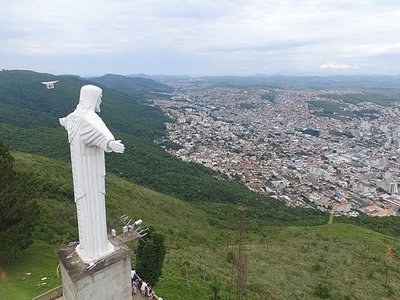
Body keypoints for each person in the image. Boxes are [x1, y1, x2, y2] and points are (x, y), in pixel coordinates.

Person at [60, 85, 125, 263]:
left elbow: (68, 123)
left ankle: (92, 248)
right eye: (100, 97)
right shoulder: (87, 119)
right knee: (93, 208)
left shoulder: (74, 118)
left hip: (81, 174)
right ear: (92, 98)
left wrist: (63, 122)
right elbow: (98, 134)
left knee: (87, 208)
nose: (101, 101)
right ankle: (96, 249)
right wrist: (111, 143)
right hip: (91, 175)